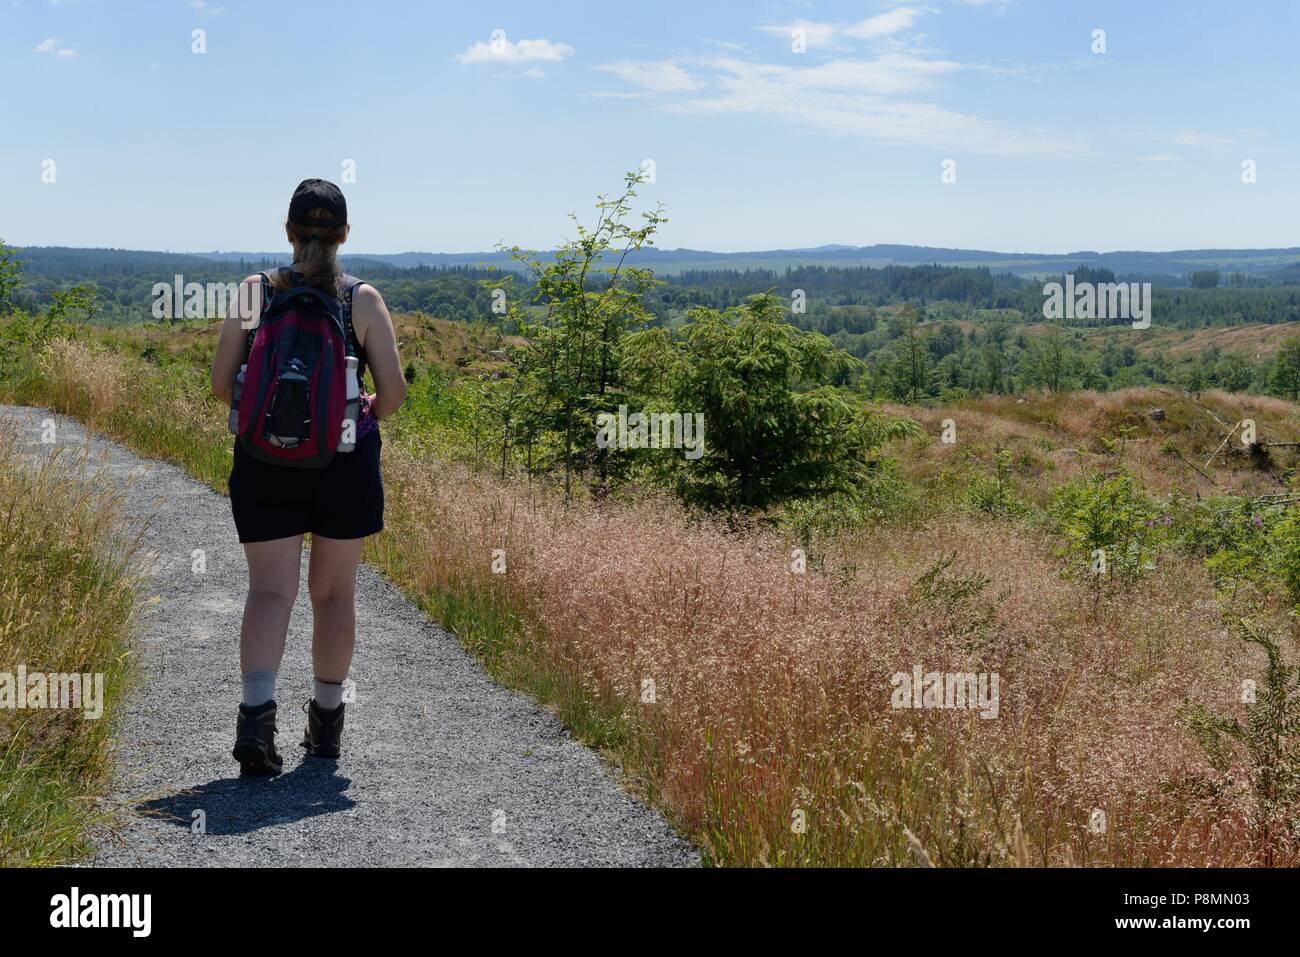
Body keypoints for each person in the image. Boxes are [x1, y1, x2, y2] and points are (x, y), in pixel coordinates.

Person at [210, 179, 405, 775]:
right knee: (334, 593)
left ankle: (255, 723)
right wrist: (357, 410)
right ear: (344, 234)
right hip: (343, 462)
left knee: (270, 592)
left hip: (265, 463)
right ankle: (324, 732)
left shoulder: (255, 293)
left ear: (288, 231)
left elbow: (222, 385)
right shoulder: (362, 301)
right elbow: (393, 396)